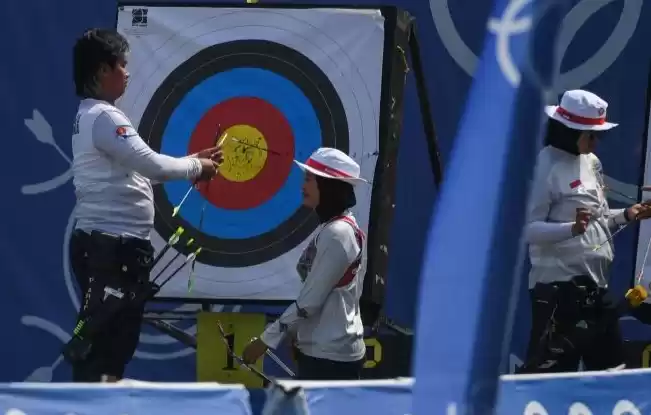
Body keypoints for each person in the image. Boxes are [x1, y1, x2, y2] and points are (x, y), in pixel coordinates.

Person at [65, 28, 223, 382]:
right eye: (121, 64)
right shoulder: (105, 117)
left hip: (108, 249)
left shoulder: (91, 115)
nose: (127, 72)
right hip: (112, 251)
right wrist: (197, 167)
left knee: (109, 346)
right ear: (102, 71)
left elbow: (134, 175)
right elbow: (151, 165)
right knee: (106, 350)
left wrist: (190, 160)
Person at [520, 89, 651, 373]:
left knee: (612, 374)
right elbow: (527, 230)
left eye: (598, 136)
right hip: (558, 294)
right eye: (591, 135)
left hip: (595, 291)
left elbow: (601, 219)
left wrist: (629, 214)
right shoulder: (545, 166)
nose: (595, 142)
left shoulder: (591, 163)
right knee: (547, 377)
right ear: (568, 131)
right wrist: (571, 228)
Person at [242, 147, 368, 380]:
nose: (302, 187)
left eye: (309, 180)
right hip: (325, 350)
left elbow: (309, 301)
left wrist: (266, 340)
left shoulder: (338, 233)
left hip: (330, 357)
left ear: (328, 187)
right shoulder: (336, 228)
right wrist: (298, 335)